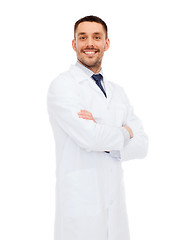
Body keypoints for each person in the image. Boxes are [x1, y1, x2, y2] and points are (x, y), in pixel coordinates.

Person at [47, 15, 148, 240]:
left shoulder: (117, 91)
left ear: (106, 43)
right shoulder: (63, 86)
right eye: (83, 37)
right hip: (80, 206)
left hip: (115, 206)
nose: (89, 43)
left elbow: (142, 145)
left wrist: (105, 136)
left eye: (96, 37)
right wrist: (125, 132)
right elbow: (91, 138)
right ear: (74, 44)